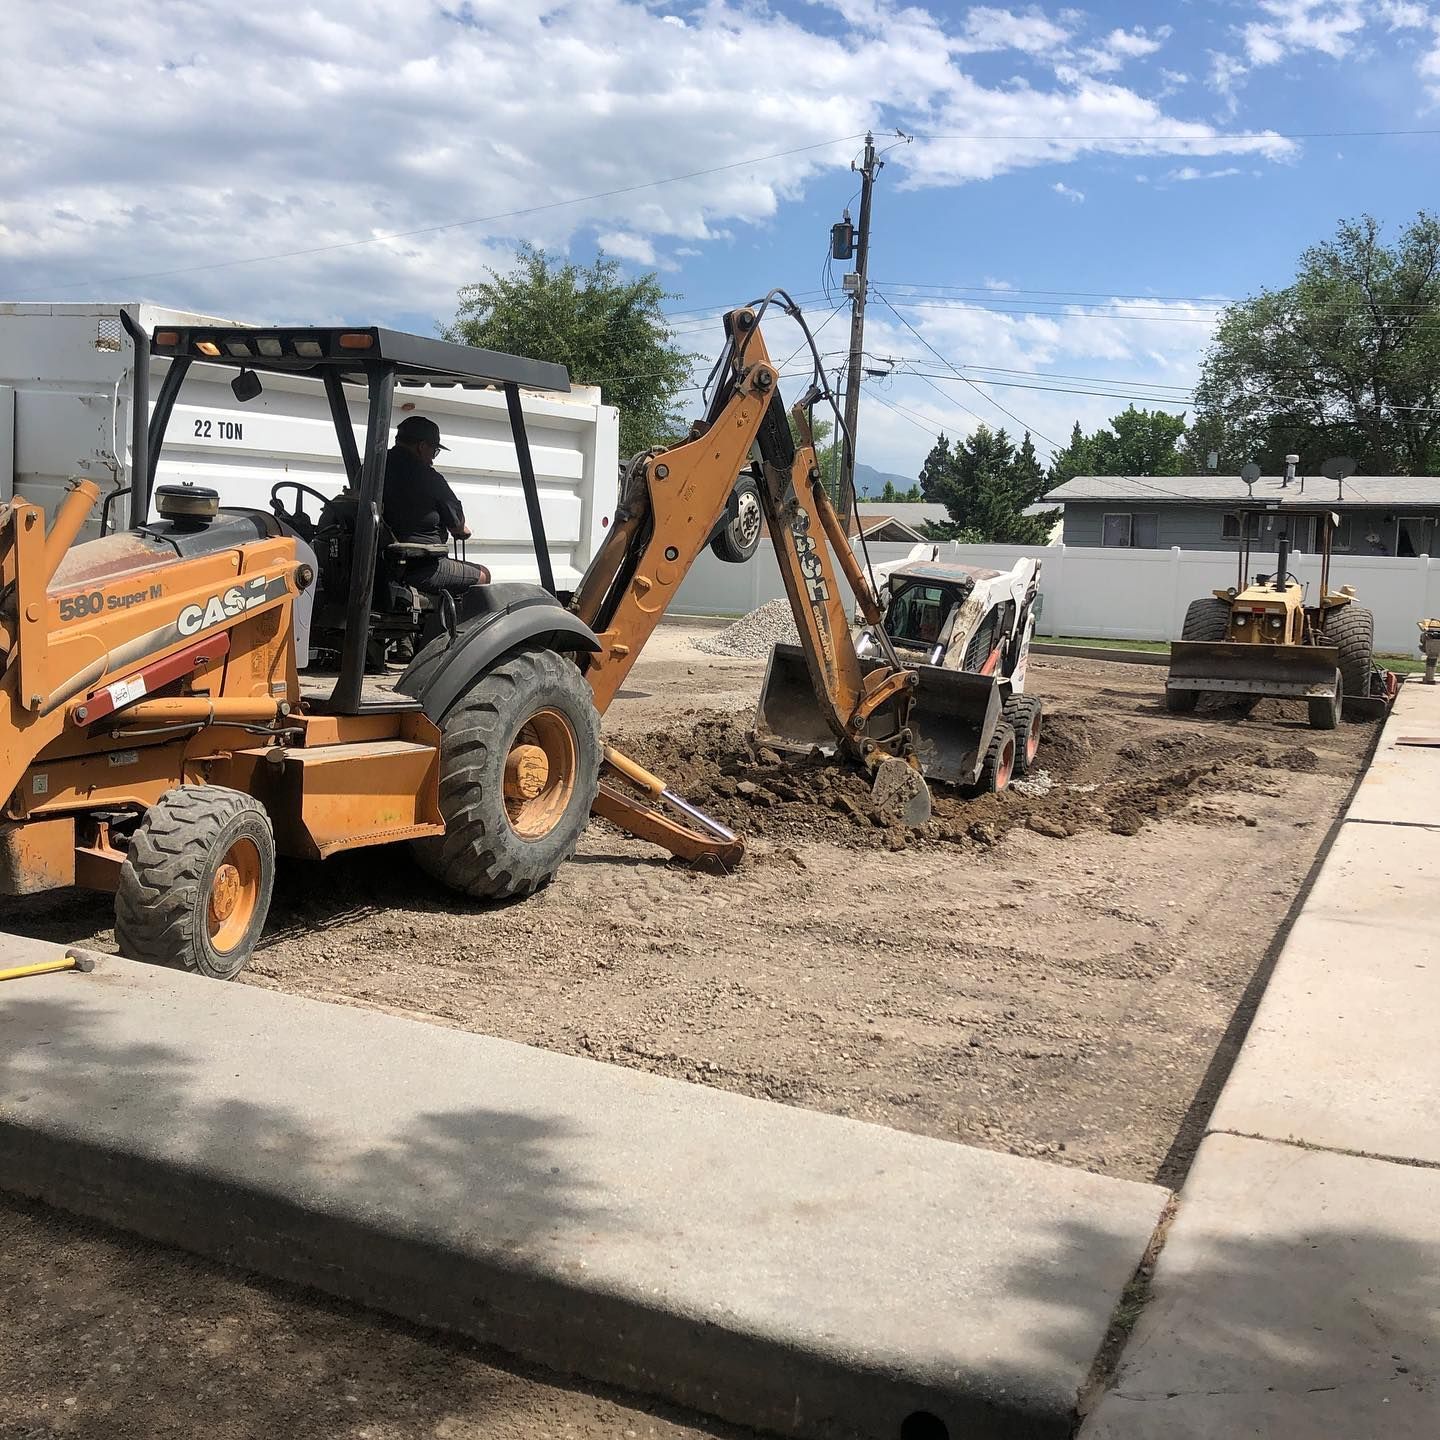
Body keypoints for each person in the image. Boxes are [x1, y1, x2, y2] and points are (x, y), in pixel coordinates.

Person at [382, 415, 490, 598]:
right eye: (434, 452)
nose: (432, 459)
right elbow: (457, 524)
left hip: (379, 567)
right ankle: (447, 626)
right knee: (483, 574)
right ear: (422, 446)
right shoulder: (429, 478)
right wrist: (462, 529)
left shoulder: (368, 470)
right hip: (420, 568)